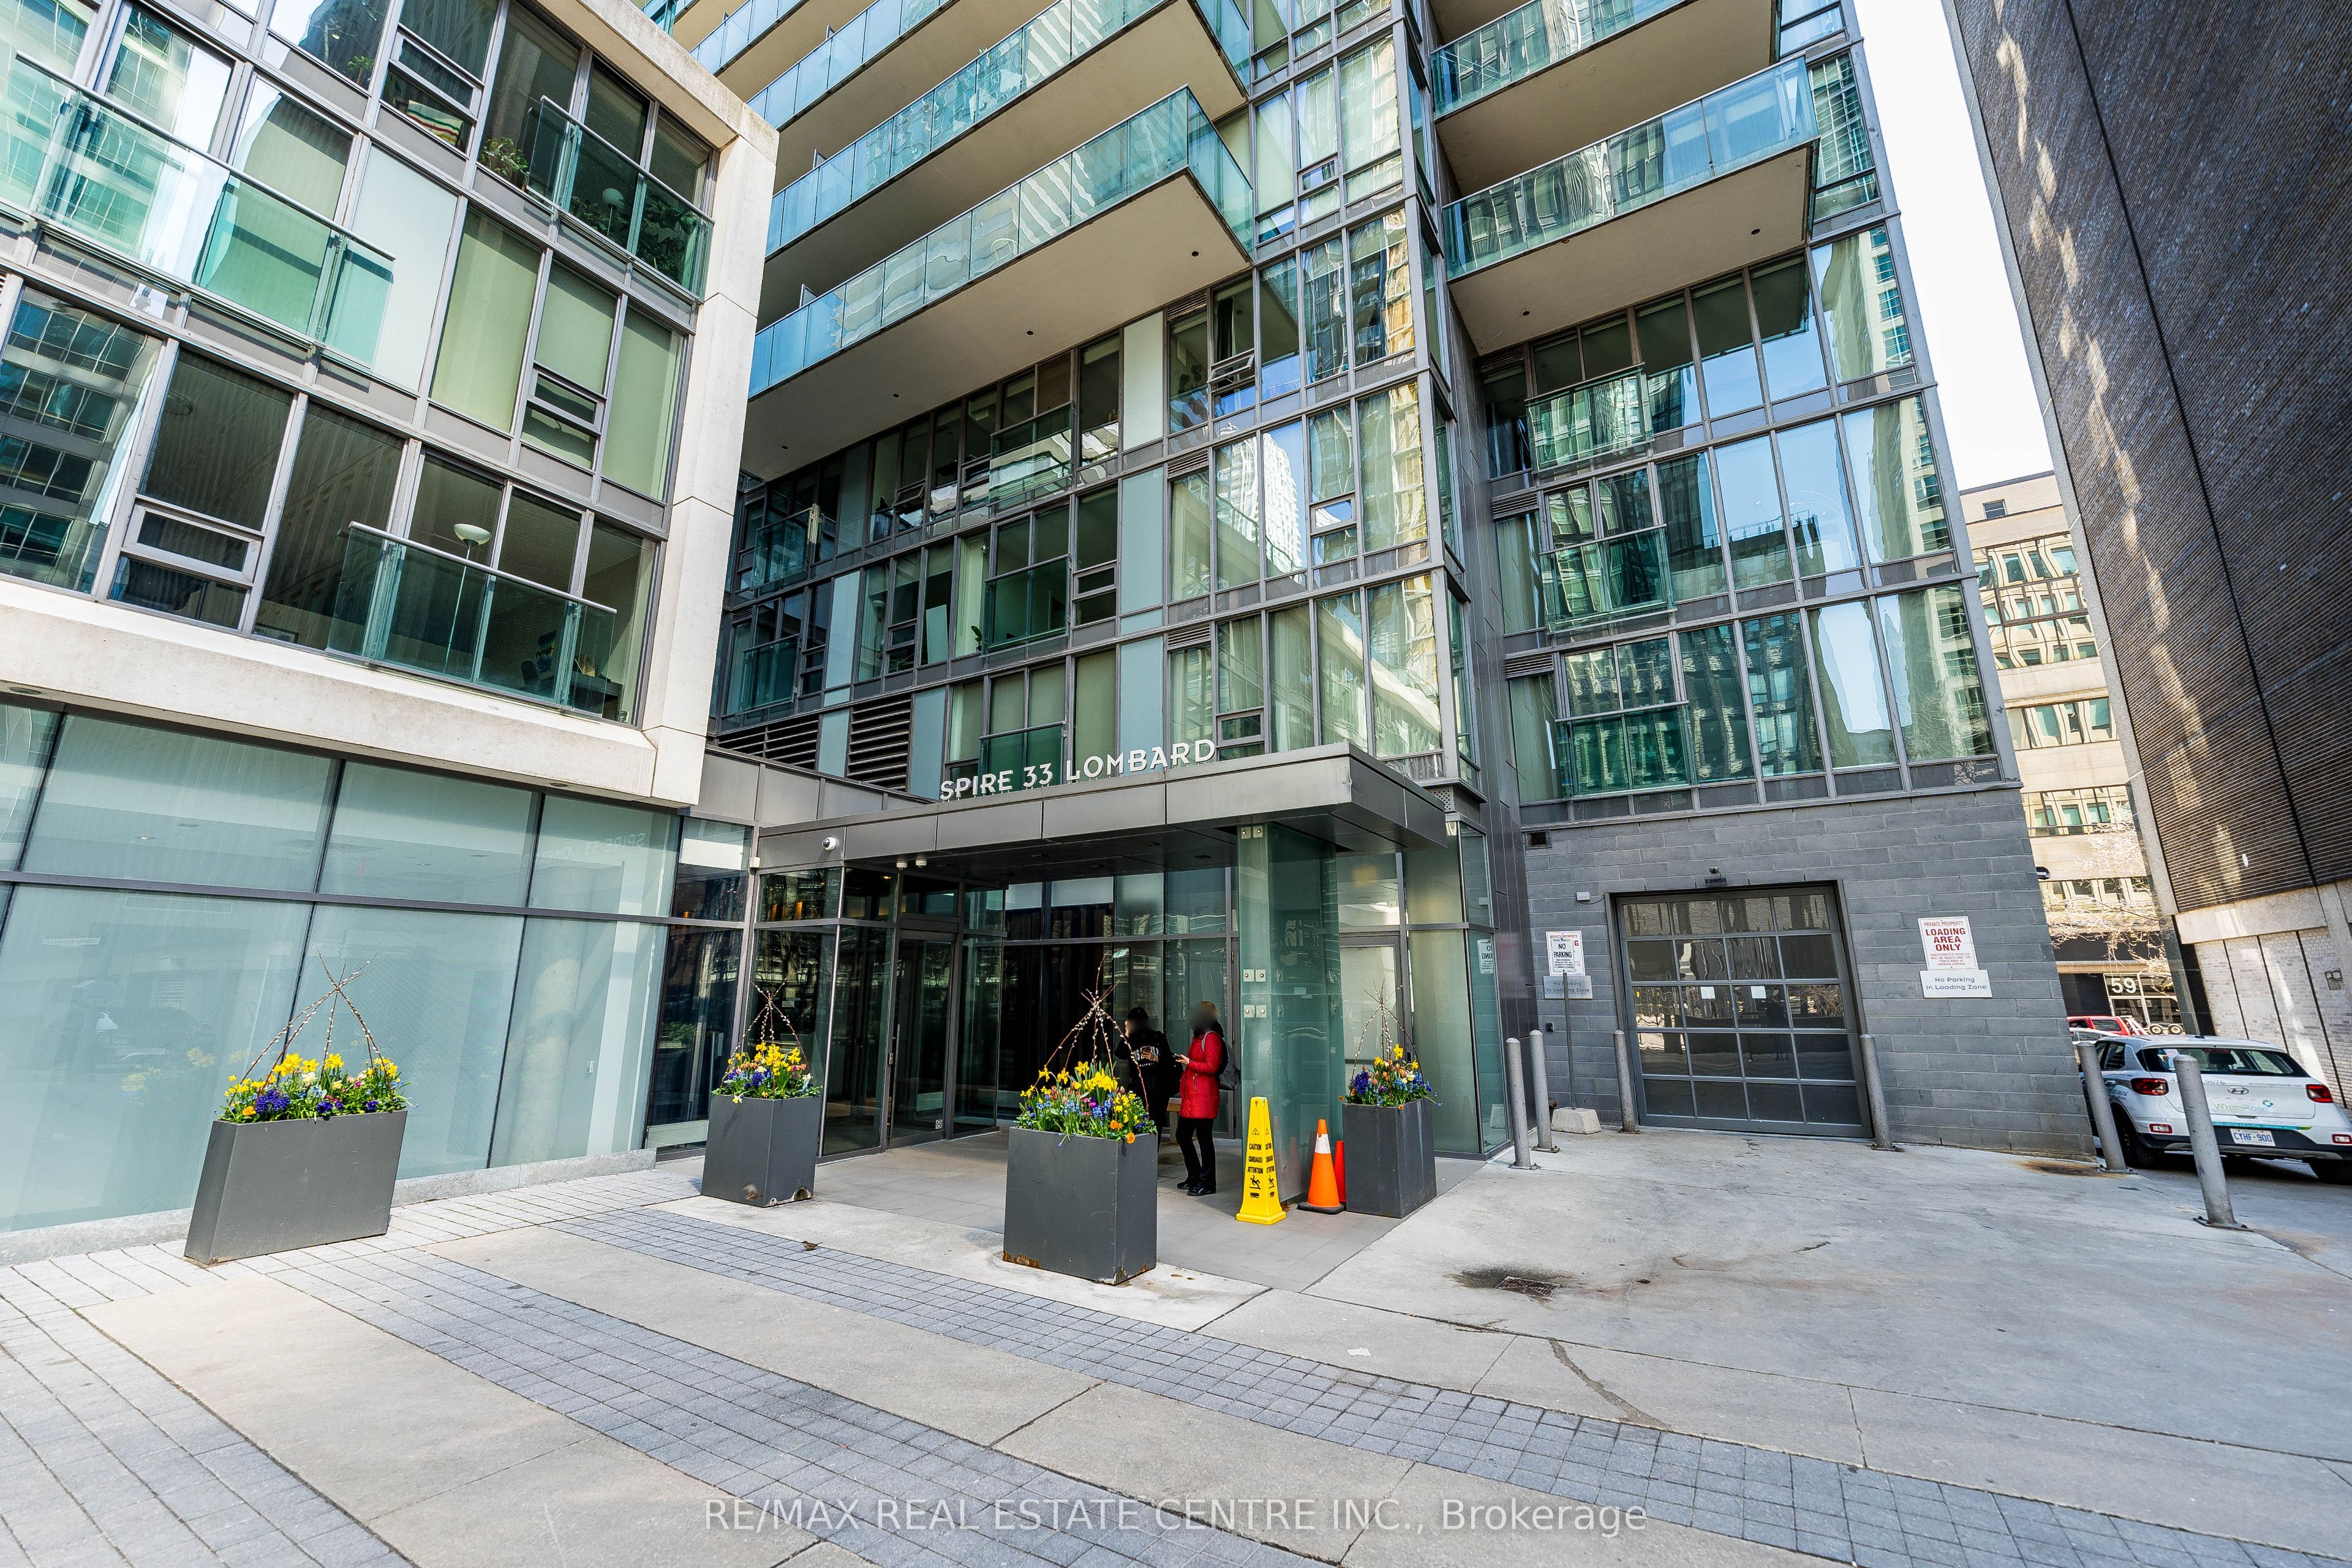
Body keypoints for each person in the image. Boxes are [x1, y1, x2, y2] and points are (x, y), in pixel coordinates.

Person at [1176, 1001, 1225, 1195]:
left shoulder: (1211, 1037)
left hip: (1204, 1098)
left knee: (1204, 1140)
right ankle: (1195, 1176)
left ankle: (1208, 1183)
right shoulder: (1199, 1036)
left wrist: (1189, 1062)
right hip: (1193, 1097)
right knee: (1183, 1135)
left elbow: (1212, 1066)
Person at [1122, 1006, 1174, 1134]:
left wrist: (1155, 1058)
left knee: (1156, 1123)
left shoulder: (1157, 1037)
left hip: (1158, 1087)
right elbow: (1120, 1053)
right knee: (1135, 1121)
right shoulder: (1131, 1039)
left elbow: (1170, 1061)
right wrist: (1127, 1034)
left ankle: (1153, 1147)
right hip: (1138, 1086)